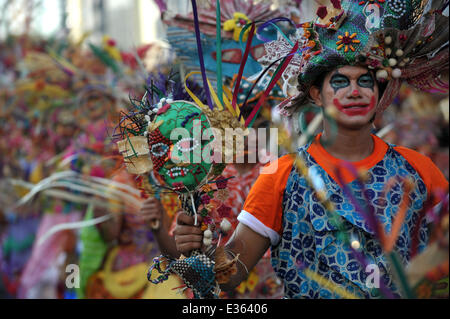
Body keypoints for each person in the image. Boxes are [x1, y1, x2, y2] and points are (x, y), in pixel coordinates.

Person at [171, 0, 449, 298]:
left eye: (365, 81)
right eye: (340, 81)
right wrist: (200, 250)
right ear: (316, 94)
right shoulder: (281, 175)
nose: (354, 91)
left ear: (378, 93)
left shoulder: (419, 168)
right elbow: (230, 274)